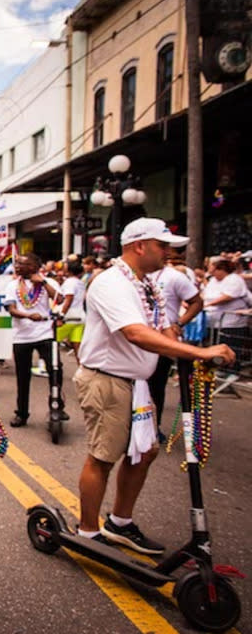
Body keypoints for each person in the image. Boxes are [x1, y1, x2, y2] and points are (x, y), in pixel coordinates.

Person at [74, 218, 235, 553]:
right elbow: (135, 332)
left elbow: (159, 327)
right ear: (140, 246)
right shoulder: (111, 283)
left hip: (137, 384)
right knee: (103, 457)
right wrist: (199, 351)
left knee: (144, 452)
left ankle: (120, 523)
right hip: (108, 380)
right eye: (162, 246)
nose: (168, 253)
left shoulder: (145, 284)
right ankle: (88, 533)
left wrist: (179, 341)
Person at [147, 252, 203, 440]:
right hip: (137, 339)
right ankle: (133, 428)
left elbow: (197, 302)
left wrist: (179, 323)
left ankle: (154, 427)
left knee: (156, 384)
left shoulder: (175, 277)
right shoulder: (136, 275)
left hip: (163, 339)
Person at [4, 253, 60, 427]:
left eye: (22, 263)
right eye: (17, 263)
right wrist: (28, 315)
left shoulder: (48, 283)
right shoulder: (12, 285)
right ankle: (21, 413)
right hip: (21, 337)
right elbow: (11, 309)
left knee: (55, 370)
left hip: (45, 334)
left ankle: (57, 406)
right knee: (23, 377)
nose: (17, 266)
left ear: (34, 266)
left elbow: (60, 299)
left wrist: (43, 283)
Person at [55, 259, 87, 363]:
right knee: (77, 346)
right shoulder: (80, 283)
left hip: (69, 317)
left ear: (69, 270)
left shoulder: (70, 282)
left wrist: (61, 316)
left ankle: (51, 366)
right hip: (80, 316)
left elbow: (69, 299)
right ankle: (81, 368)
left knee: (52, 342)